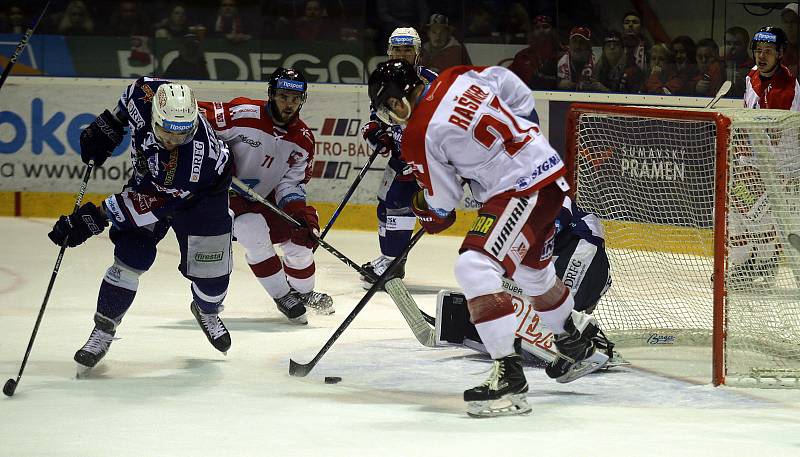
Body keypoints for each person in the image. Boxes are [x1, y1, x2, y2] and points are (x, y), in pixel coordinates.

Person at [367, 60, 609, 418]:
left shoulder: (420, 133)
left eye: (389, 105)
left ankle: (509, 380)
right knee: (533, 275)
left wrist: (423, 206)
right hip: (549, 177)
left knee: (474, 266)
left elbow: (442, 206)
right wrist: (524, 129)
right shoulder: (454, 76)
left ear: (399, 97)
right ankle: (576, 344)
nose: (392, 114)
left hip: (520, 188)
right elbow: (514, 86)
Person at [48, 78, 234, 374]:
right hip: (150, 184)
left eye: (183, 134)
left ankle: (207, 310)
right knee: (130, 257)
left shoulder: (191, 160)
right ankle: (104, 331)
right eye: (167, 133)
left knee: (212, 280)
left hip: (202, 195)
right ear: (155, 116)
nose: (174, 141)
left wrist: (93, 218)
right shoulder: (144, 93)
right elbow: (130, 99)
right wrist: (111, 124)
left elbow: (149, 203)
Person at [199, 68, 334, 325]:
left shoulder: (302, 140)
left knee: (300, 241)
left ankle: (303, 293)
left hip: (266, 198)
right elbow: (192, 119)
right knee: (252, 229)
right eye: (283, 96)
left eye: (295, 98)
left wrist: (298, 214)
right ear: (271, 94)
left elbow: (290, 184)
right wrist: (213, 158)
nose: (289, 104)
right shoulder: (243, 114)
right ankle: (282, 295)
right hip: (226, 198)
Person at [436, 197, 619, 367]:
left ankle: (588, 341)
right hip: (554, 257)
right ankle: (560, 332)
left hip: (583, 247)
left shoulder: (538, 184)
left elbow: (553, 220)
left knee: (559, 310)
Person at [359, 27, 438, 286]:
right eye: (397, 49)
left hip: (421, 159)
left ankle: (391, 261)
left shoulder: (432, 83)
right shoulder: (384, 76)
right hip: (399, 156)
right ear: (389, 51)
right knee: (385, 203)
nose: (402, 54)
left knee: (398, 203)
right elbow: (377, 116)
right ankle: (392, 259)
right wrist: (375, 132)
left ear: (418, 54)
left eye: (408, 50)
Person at [744, 26, 800, 110]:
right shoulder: (752, 74)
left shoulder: (788, 88)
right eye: (759, 50)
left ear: (780, 53)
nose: (761, 56)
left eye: (768, 51)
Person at [508, 14, 562, 90]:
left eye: (545, 27)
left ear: (553, 31)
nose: (541, 30)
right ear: (532, 32)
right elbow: (508, 80)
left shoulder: (563, 55)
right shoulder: (522, 56)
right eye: (537, 28)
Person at [556, 26, 596, 92]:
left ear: (589, 46)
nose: (577, 46)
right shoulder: (558, 60)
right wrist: (558, 84)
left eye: (582, 42)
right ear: (569, 43)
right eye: (574, 41)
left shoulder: (597, 62)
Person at [725, 26, 754, 98]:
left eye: (737, 44)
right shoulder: (720, 64)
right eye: (728, 43)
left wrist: (742, 82)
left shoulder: (753, 68)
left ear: (746, 44)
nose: (732, 47)